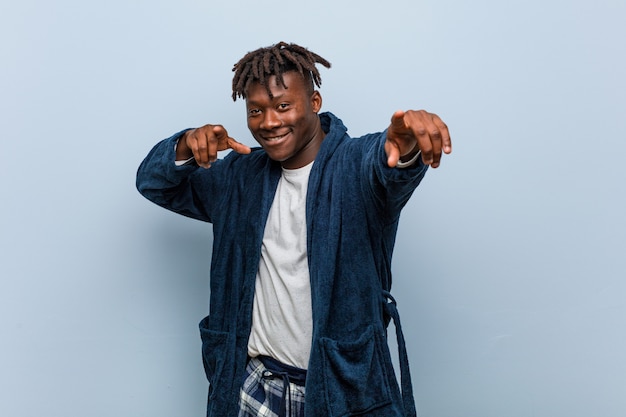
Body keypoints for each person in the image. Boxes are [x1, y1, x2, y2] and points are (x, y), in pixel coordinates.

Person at [136, 41, 451, 417]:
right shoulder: (239, 176)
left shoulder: (354, 166)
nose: (269, 122)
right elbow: (154, 183)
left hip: (340, 393)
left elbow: (387, 168)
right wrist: (185, 145)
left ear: (314, 103)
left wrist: (407, 146)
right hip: (253, 387)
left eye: (283, 106)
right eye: (256, 111)